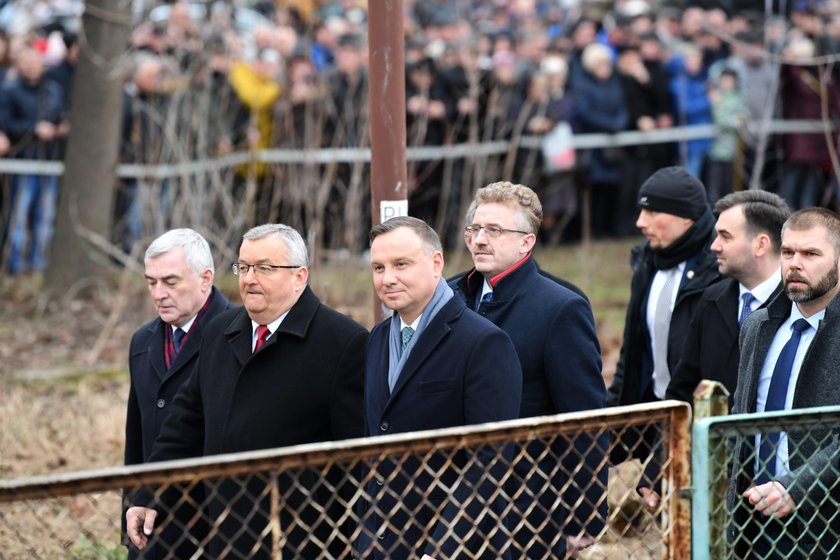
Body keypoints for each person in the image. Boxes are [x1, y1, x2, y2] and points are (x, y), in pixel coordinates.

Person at [125, 223, 367, 558]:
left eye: (265, 268)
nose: (249, 279)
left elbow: (358, 458)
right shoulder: (220, 332)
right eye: (244, 267)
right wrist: (149, 493)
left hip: (301, 541)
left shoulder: (343, 342)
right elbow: (185, 425)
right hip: (223, 535)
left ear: (299, 277)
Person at [449, 181, 606, 557]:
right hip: (450, 497)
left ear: (526, 242)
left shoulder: (560, 308)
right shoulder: (450, 297)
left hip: (524, 506)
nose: (480, 240)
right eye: (475, 229)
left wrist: (584, 515)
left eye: (495, 230)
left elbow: (583, 418)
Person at [359, 216, 522, 559]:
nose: (388, 278)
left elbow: (489, 461)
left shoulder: (483, 342)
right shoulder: (376, 340)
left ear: (436, 264)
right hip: (382, 545)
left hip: (457, 546)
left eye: (401, 264)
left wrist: (440, 551)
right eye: (378, 267)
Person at [730, 208, 840, 558]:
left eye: (811, 254)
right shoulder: (757, 325)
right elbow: (739, 420)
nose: (795, 263)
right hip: (751, 525)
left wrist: (799, 488)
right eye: (788, 252)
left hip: (824, 526)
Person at [607, 166, 720, 503]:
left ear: (686, 218)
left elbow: (707, 373)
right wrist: (610, 429)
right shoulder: (647, 262)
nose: (641, 222)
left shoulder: (717, 275)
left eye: (653, 211)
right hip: (658, 411)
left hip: (700, 421)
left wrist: (662, 456)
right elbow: (633, 352)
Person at [123, 228, 232, 559]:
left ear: (205, 278)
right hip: (152, 521)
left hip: (213, 521)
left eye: (170, 281)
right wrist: (133, 506)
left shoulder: (235, 335)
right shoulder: (143, 341)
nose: (158, 294)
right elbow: (136, 438)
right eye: (151, 282)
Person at [666, 190, 790, 405]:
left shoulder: (801, 304)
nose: (714, 246)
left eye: (725, 236)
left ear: (761, 244)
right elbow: (683, 389)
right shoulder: (711, 300)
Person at [0, 46, 64, 275]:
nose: (30, 66)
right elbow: (6, 125)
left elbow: (59, 116)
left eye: (34, 61)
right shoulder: (9, 90)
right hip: (22, 162)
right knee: (18, 217)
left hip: (49, 163)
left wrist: (60, 128)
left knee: (45, 218)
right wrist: (33, 129)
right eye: (25, 62)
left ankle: (39, 265)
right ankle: (15, 266)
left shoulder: (52, 91)